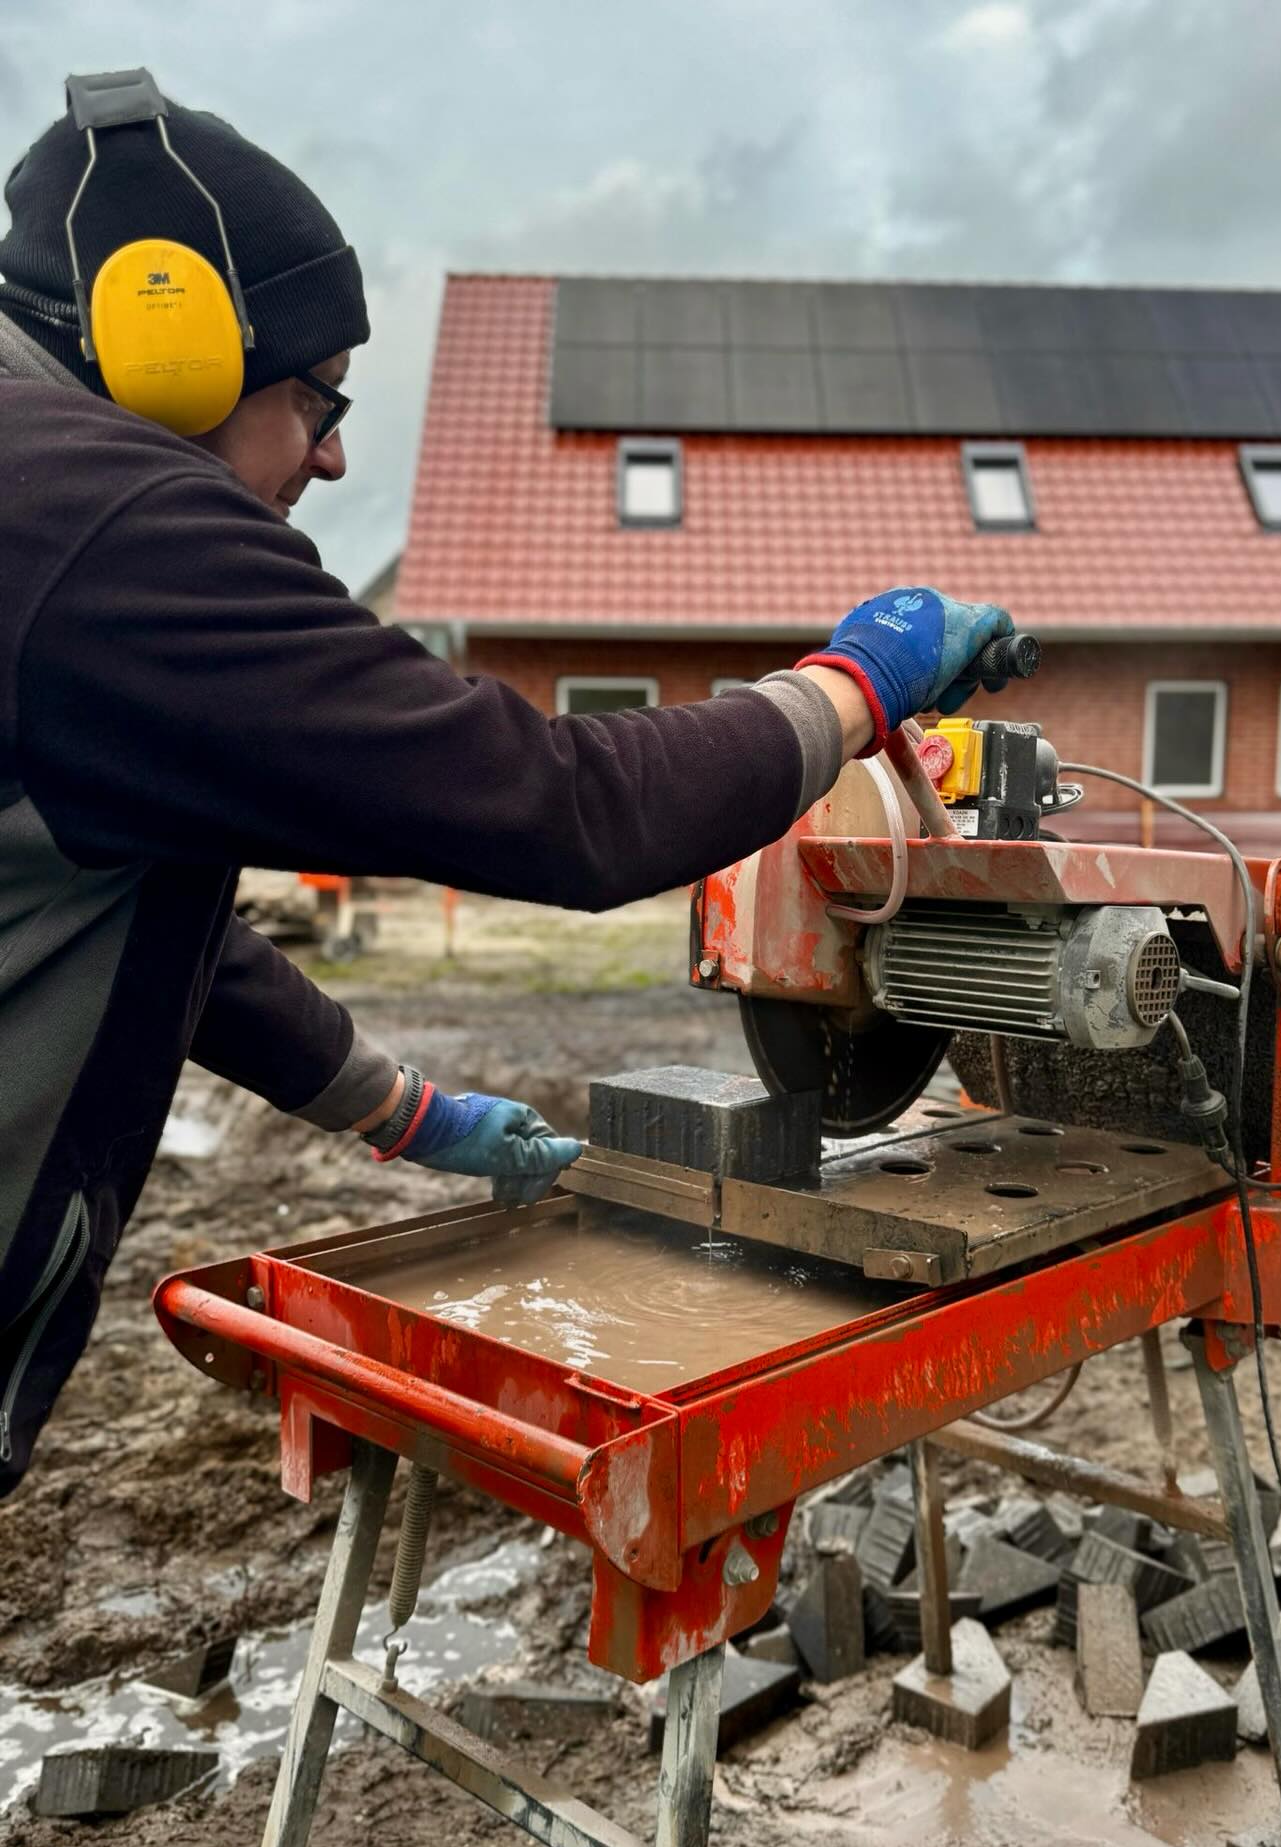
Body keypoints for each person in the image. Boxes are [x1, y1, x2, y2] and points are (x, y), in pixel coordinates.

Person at [0, 74, 1015, 1494]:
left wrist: (402, 1110)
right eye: (315, 397)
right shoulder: (110, 527)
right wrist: (853, 685)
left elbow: (148, 910)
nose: (337, 452)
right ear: (167, 346)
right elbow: (565, 807)